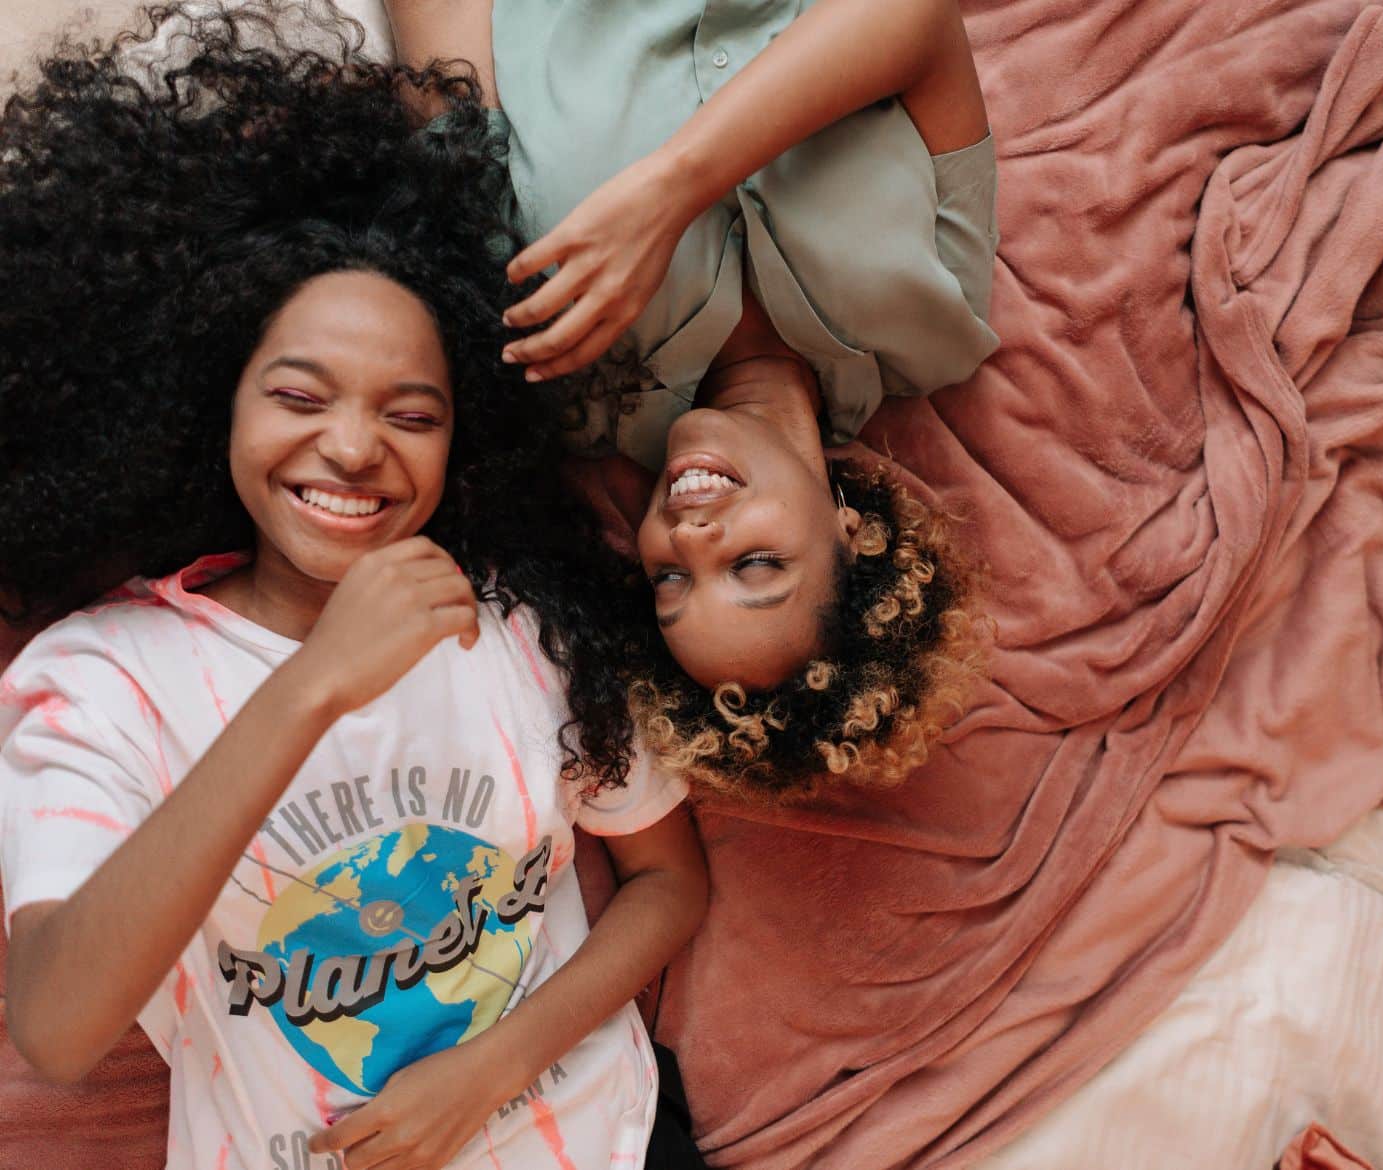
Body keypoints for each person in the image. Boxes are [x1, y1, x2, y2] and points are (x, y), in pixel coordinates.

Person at [0, 5, 709, 1169]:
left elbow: (668, 885)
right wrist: (309, 686)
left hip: (609, 1140)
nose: (352, 446)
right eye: (297, 396)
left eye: (411, 414)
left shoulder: (526, 622)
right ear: (213, 405)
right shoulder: (100, 681)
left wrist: (490, 1068)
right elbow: (60, 1028)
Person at [382, 0, 997, 797]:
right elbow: (918, 21)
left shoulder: (547, 359)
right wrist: (672, 191)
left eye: (670, 582)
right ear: (853, 536)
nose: (693, 538)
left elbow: (443, 67)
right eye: (755, 563)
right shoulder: (935, 322)